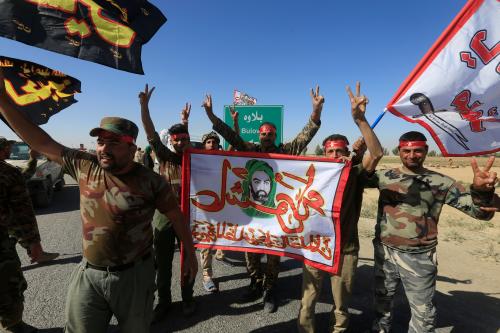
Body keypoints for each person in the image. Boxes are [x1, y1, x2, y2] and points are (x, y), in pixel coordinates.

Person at [0, 74, 198, 333]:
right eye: (101, 141)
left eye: (114, 142)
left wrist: (191, 254)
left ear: (131, 147)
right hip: (89, 273)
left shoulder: (150, 181)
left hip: (135, 277)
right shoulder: (85, 166)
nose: (104, 148)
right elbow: (40, 141)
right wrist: (3, 101)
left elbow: (175, 216)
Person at [202, 86, 324, 313]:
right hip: (252, 215)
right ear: (258, 135)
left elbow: (305, 136)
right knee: (251, 254)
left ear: (275, 136)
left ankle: (270, 289)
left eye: (270, 134)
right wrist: (211, 116)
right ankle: (255, 284)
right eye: (263, 134)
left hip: (276, 217)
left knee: (273, 257)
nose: (266, 137)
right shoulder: (251, 150)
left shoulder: (286, 152)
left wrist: (315, 113)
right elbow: (231, 137)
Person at [366, 131, 497, 333]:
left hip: (419, 257)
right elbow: (349, 180)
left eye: (417, 150)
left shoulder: (441, 182)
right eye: (406, 150)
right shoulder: (384, 176)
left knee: (423, 315)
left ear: (426, 150)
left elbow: (481, 214)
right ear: (399, 151)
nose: (411, 155)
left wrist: (482, 191)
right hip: (385, 253)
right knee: (381, 306)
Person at [297, 82, 383, 333]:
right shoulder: (311, 174)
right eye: (330, 152)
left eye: (339, 151)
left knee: (341, 304)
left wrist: (360, 120)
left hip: (345, 248)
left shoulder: (354, 174)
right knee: (307, 302)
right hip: (314, 246)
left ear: (347, 152)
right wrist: (314, 114)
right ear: (323, 155)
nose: (335, 156)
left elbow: (376, 154)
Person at [138, 85, 197, 320]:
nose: (181, 143)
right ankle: (164, 301)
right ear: (172, 142)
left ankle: (188, 297)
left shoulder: (198, 159)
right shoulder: (164, 156)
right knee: (162, 263)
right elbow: (150, 132)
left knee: (187, 260)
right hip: (164, 217)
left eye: (185, 138)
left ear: (189, 140)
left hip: (189, 216)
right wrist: (144, 107)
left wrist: (185, 122)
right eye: (177, 140)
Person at [0, 137, 60, 333]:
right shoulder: (7, 172)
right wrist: (33, 243)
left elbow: (22, 176)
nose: (9, 151)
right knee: (9, 287)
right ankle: (14, 326)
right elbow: (22, 213)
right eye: (8, 148)